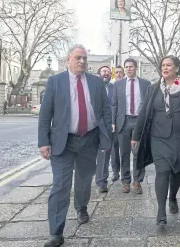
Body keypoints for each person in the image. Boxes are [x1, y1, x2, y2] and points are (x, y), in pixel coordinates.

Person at [38, 44, 112, 247]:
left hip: (89, 139)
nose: (82, 61)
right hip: (63, 141)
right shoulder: (55, 81)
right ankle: (56, 232)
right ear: (67, 60)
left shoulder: (96, 83)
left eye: (84, 58)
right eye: (78, 58)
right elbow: (46, 114)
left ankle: (81, 207)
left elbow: (105, 111)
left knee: (84, 179)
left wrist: (107, 137)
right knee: (61, 185)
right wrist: (43, 142)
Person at [131, 55, 180, 226]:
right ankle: (161, 211)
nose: (165, 68)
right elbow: (144, 113)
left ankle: (172, 197)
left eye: (169, 65)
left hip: (179, 138)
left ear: (177, 68)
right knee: (162, 172)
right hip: (158, 138)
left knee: (176, 171)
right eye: (163, 65)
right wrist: (136, 136)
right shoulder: (154, 88)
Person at [112, 58, 151, 194]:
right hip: (123, 122)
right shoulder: (118, 85)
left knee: (139, 153)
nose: (129, 69)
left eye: (131, 67)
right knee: (124, 153)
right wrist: (113, 122)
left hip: (139, 122)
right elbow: (114, 104)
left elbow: (149, 105)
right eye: (126, 67)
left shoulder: (146, 84)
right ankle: (126, 181)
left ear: (136, 68)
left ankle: (137, 181)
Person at [95, 65, 114, 193]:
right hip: (92, 125)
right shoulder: (92, 86)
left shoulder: (114, 87)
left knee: (104, 154)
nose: (106, 73)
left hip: (107, 126)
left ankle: (102, 182)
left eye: (108, 71)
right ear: (99, 73)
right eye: (103, 71)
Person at [110, 65, 125, 181]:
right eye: (117, 72)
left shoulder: (127, 85)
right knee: (114, 149)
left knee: (124, 150)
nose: (119, 74)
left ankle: (125, 171)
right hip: (113, 121)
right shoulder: (111, 86)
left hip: (125, 121)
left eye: (121, 72)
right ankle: (115, 171)